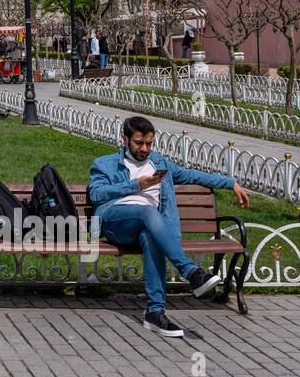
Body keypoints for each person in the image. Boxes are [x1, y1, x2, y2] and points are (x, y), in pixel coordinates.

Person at [89, 115, 250, 338]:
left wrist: (231, 183)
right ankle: (191, 272)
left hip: (149, 225)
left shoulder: (159, 163)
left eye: (149, 143)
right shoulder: (105, 163)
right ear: (125, 139)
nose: (144, 148)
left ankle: (155, 312)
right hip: (116, 222)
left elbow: (193, 175)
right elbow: (96, 194)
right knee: (147, 211)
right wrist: (136, 185)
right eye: (139, 143)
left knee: (149, 235)